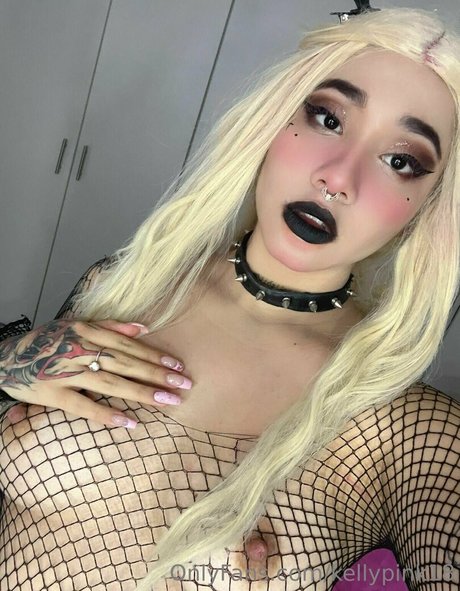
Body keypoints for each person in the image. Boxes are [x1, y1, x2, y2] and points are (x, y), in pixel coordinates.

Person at [0, 7, 459, 590]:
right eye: (328, 118)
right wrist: (9, 360)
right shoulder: (120, 284)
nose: (338, 178)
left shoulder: (410, 430)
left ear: (429, 208)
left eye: (401, 161)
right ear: (275, 119)